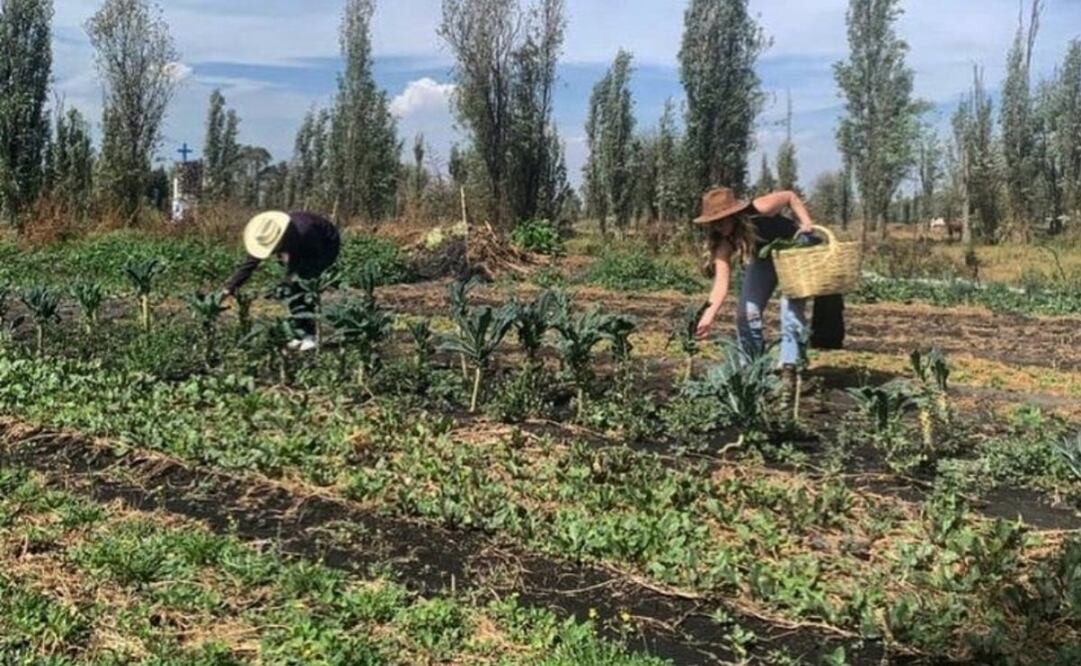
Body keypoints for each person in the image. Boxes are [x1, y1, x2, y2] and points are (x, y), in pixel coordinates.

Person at [693, 187, 816, 389]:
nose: (717, 226)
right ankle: (752, 368)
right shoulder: (724, 242)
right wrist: (707, 316)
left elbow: (789, 196)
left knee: (790, 308)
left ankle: (789, 366)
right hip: (764, 258)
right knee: (745, 313)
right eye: (713, 222)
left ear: (734, 215)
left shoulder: (759, 208)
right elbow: (720, 286)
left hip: (793, 249)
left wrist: (806, 222)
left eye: (721, 220)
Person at [223, 211, 341, 352]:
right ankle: (299, 333)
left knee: (302, 286)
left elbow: (311, 258)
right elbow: (249, 265)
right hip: (297, 245)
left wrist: (292, 274)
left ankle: (310, 336)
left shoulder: (305, 232)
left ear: (280, 238)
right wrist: (228, 288)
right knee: (291, 289)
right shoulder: (267, 234)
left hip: (325, 244)